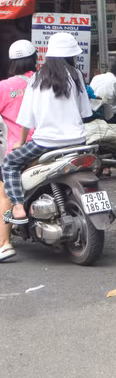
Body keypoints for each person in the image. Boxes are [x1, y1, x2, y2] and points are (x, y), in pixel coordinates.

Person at [1, 32, 93, 225]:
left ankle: (17, 207)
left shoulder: (37, 78)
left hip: (45, 143)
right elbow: (85, 113)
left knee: (9, 163)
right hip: (78, 142)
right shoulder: (76, 76)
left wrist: (19, 142)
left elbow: (27, 118)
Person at [0, 40, 37, 260]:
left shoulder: (4, 87)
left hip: (20, 149)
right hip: (52, 143)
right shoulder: (44, 81)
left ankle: (4, 243)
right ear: (35, 59)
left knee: (3, 193)